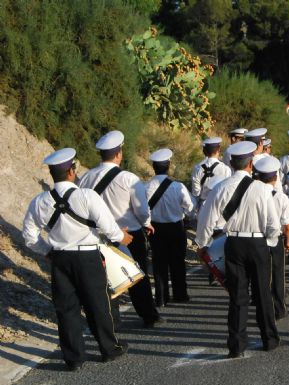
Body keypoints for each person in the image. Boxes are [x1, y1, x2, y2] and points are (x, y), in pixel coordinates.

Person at [23, 148, 132, 370]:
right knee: (98, 304)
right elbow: (109, 227)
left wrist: (47, 251)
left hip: (60, 258)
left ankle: (73, 358)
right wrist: (123, 237)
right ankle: (109, 349)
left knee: (66, 309)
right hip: (88, 257)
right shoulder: (86, 196)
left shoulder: (39, 201)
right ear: (72, 171)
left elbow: (29, 237)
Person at [196, 141, 280, 359]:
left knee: (237, 297)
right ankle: (269, 340)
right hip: (258, 243)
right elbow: (273, 224)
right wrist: (269, 242)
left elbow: (205, 220)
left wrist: (203, 244)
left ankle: (236, 345)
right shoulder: (262, 188)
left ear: (231, 163)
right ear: (251, 163)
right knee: (263, 294)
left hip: (232, 242)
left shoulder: (220, 187)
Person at [78, 131, 162, 327]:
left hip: (98, 235)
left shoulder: (86, 178)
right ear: (119, 154)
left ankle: (111, 320)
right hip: (129, 234)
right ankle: (148, 315)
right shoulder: (128, 178)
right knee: (136, 275)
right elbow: (141, 209)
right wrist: (147, 223)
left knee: (106, 280)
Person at [146, 148, 195, 305]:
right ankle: (180, 294)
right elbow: (190, 208)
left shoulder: (146, 186)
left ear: (154, 167)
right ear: (168, 166)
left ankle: (161, 298)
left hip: (156, 228)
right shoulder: (177, 186)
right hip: (175, 228)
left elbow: (142, 210)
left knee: (159, 263)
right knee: (178, 262)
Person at [254, 156, 289, 320]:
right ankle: (279, 308)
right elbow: (287, 225)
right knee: (278, 275)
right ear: (276, 178)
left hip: (257, 239)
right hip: (275, 239)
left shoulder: (252, 195)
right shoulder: (282, 197)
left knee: (260, 276)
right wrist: (288, 241)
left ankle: (262, 308)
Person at [191, 137, 232, 205]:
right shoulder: (226, 169)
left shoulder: (197, 168)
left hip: (203, 206)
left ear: (205, 151)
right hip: (219, 204)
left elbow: (196, 193)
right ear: (218, 150)